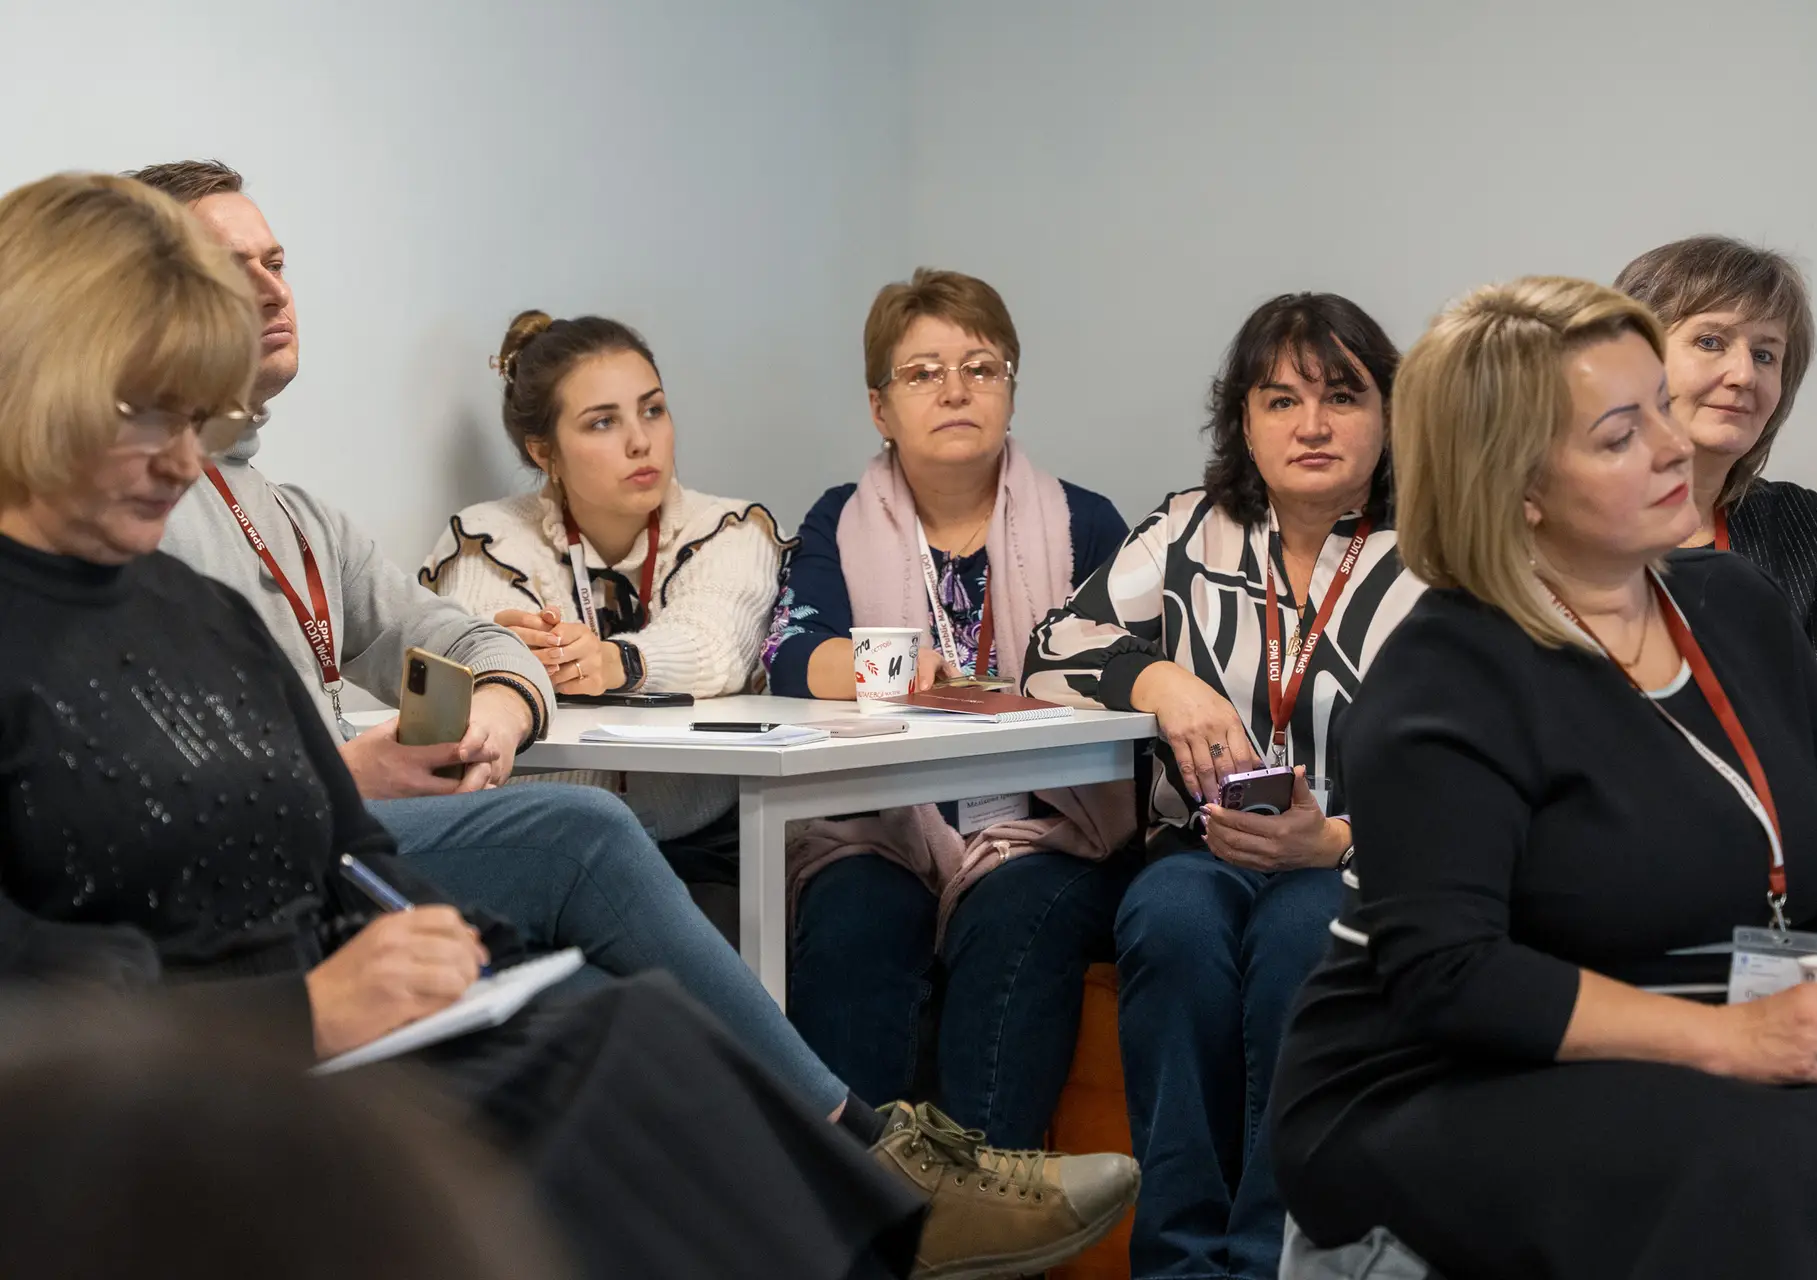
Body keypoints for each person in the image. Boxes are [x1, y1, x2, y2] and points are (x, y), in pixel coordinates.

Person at [128, 161, 1137, 1278]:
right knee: (600, 845)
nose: (272, 287)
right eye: (233, 265)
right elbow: (175, 760)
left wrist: (510, 696)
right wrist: (348, 767)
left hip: (576, 829)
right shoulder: (148, 510)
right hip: (319, 854)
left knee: (629, 1014)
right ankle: (871, 1172)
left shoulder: (291, 510)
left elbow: (502, 642)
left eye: (278, 261)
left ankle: (853, 1215)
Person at [0, 168, 926, 1280]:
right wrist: (303, 1011)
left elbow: (354, 850)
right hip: (185, 1080)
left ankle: (888, 1211)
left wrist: (455, 947)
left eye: (196, 418)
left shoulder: (205, 614)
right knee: (639, 1098)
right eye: (149, 413)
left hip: (337, 1027)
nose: (183, 461)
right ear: (38, 377)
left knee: (652, 1037)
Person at [1270, 275, 1817, 1280]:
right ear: (1517, 486)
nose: (1673, 445)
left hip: (1704, 1012)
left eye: (1661, 404)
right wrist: (1734, 1039)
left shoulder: (1739, 605)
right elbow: (1453, 978)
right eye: (1621, 435)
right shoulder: (1445, 677)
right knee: (1793, 1176)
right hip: (1437, 1074)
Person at [1025, 293, 1425, 1280]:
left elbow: (1484, 760)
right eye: (1281, 400)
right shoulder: (1187, 529)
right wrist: (1161, 680)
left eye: (1342, 396)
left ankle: (1268, 1259)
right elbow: (1050, 650)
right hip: (1199, 849)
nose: (1312, 424)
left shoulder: (1439, 551)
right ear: (1243, 422)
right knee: (1169, 921)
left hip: (1353, 860)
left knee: (1304, 937)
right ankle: (1177, 1260)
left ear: (1390, 413)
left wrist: (1334, 840)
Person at [764, 268, 1138, 1154]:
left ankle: (987, 1199)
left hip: (1053, 829)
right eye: (923, 373)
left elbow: (1131, 665)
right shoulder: (839, 521)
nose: (956, 390)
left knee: (1014, 914)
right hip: (882, 824)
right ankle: (852, 1200)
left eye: (981, 367)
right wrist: (890, 669)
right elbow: (790, 652)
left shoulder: (1086, 524)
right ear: (879, 408)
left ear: (1011, 389)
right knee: (852, 915)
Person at [1614, 235, 1817, 949]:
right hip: (1626, 886)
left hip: (1788, 879)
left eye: (1766, 354)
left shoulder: (1794, 523)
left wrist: (1803, 871)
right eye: (1710, 341)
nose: (1742, 374)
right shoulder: (1561, 526)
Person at [419, 307, 785, 862]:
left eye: (653, 410)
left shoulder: (731, 528)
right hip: (540, 845)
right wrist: (518, 651)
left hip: (709, 842)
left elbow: (716, 644)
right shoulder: (485, 538)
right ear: (544, 452)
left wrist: (612, 662)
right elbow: (471, 653)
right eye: (602, 423)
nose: (641, 442)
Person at [0, 998, 567, 1280]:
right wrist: (302, 999)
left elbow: (355, 843)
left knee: (601, 1026)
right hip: (233, 1031)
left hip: (316, 982)